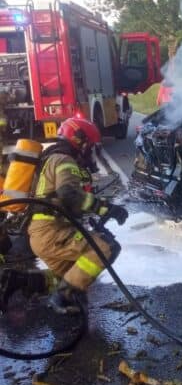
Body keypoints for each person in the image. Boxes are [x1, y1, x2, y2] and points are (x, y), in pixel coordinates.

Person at [0, 118, 128, 314]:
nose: (89, 150)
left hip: (40, 233)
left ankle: (19, 281)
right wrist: (105, 208)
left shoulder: (48, 158)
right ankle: (63, 297)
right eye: (89, 145)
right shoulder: (64, 160)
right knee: (107, 248)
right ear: (78, 140)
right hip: (53, 233)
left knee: (70, 276)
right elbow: (68, 194)